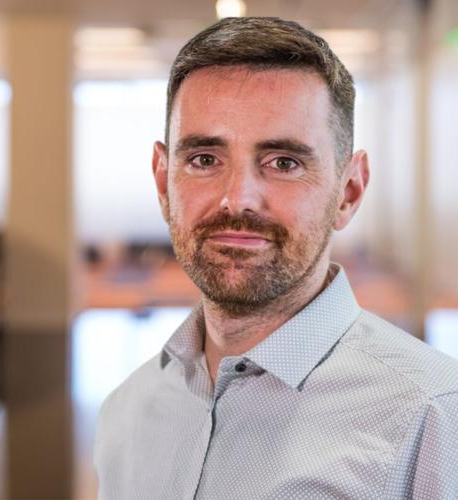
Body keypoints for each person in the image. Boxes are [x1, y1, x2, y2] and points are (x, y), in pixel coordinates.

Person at [94, 17, 458, 499]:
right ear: (164, 182)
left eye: (284, 163)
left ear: (349, 191)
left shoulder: (433, 417)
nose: (237, 199)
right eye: (204, 159)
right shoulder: (126, 412)